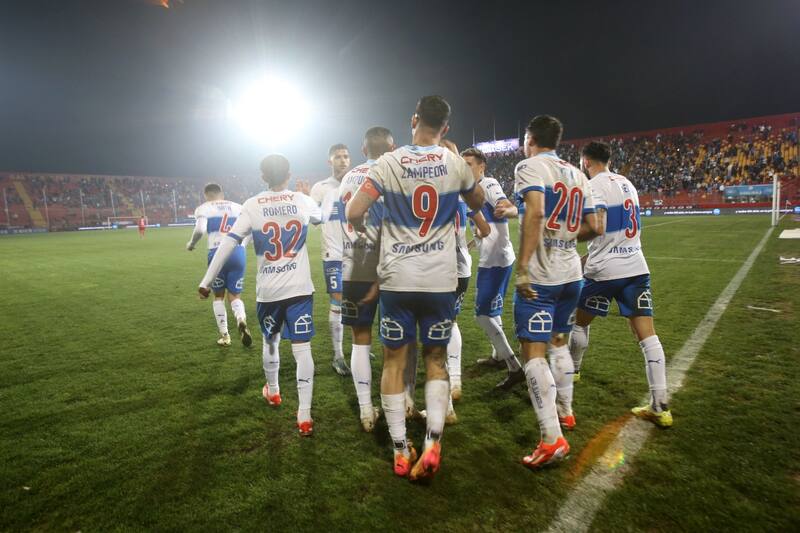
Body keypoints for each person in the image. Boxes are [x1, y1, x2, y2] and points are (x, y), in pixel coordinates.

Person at [346, 95, 485, 481]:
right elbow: (479, 199)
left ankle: (398, 450)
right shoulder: (455, 163)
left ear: (414, 120)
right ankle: (432, 442)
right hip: (440, 280)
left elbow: (354, 211)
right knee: (435, 361)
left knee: (394, 362)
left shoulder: (388, 162)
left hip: (398, 279)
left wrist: (368, 229)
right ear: (446, 128)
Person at [198, 155, 322, 437]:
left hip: (269, 291)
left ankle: (274, 392)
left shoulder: (252, 205)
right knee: (303, 350)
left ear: (262, 176)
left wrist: (206, 281)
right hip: (300, 289)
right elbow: (323, 217)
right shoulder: (302, 200)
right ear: (289, 173)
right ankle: (304, 416)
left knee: (271, 343)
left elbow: (228, 245)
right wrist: (306, 196)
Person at [513, 115, 599, 469]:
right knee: (559, 343)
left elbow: (535, 213)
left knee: (533, 352)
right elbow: (594, 226)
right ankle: (566, 411)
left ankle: (551, 438)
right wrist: (565, 239)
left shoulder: (529, 166)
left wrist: (523, 267)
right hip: (571, 274)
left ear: (530, 137)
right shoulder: (578, 174)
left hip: (542, 277)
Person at [569, 141, 672, 427]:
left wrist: (567, 237)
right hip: (636, 267)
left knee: (579, 322)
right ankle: (660, 406)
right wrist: (588, 255)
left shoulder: (593, 186)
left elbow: (596, 227)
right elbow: (617, 230)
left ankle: (574, 370)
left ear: (586, 161)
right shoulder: (628, 184)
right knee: (648, 336)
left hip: (603, 272)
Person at [337, 127, 394, 432]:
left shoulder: (346, 178)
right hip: (388, 267)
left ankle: (365, 410)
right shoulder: (391, 171)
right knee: (396, 340)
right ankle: (399, 403)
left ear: (362, 149)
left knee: (360, 339)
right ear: (391, 146)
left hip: (352, 267)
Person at [461, 147, 524, 389]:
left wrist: (506, 207)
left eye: (469, 164)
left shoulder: (486, 184)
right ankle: (498, 356)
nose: (465, 168)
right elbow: (483, 228)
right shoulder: (469, 191)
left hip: (496, 260)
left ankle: (513, 366)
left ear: (481, 167)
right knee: (493, 311)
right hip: (495, 256)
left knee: (482, 315)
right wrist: (471, 242)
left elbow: (504, 203)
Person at [187, 183, 252, 347]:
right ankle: (240, 319)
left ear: (206, 195)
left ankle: (225, 336)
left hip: (216, 252)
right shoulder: (238, 207)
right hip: (237, 251)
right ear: (221, 194)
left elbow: (200, 230)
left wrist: (191, 244)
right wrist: (243, 245)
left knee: (218, 296)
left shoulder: (204, 208)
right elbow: (250, 230)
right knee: (235, 296)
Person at [310, 144, 352, 377]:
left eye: (346, 156)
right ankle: (338, 356)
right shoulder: (320, 188)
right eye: (338, 157)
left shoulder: (358, 182)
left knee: (357, 302)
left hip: (359, 254)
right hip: (333, 254)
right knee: (338, 301)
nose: (343, 160)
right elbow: (314, 220)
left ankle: (358, 346)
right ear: (330, 161)